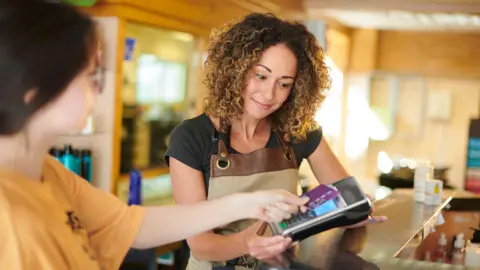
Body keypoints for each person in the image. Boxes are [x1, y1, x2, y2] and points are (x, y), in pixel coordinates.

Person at [0, 2, 309, 270]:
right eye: (88, 75)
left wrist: (249, 204)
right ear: (33, 90)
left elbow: (134, 226)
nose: (99, 87)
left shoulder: (48, 174)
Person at [165, 13, 388, 270]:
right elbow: (201, 244)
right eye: (260, 76)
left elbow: (345, 197)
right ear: (235, 69)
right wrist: (248, 242)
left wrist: (354, 213)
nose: (269, 94)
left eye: (284, 84)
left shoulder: (299, 132)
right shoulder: (191, 138)